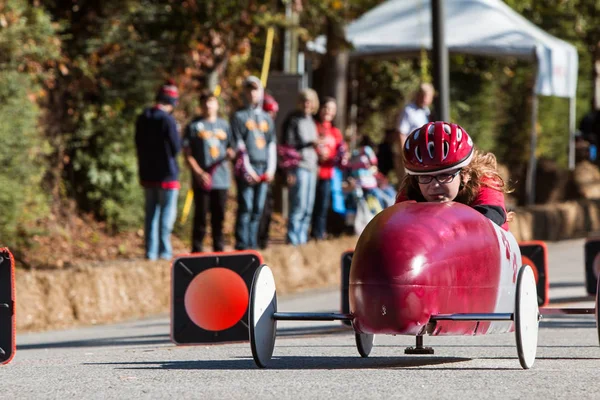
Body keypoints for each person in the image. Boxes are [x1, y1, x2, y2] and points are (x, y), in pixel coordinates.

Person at [396, 121, 509, 230]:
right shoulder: (411, 188)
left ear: (465, 174)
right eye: (425, 177)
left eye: (444, 175)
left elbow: (492, 215)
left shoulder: (484, 181)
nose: (434, 185)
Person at [134, 80, 181, 260]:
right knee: (166, 215)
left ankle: (150, 252)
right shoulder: (168, 120)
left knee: (151, 215)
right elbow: (176, 147)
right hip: (168, 175)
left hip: (147, 174)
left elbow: (137, 143)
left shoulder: (142, 117)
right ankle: (165, 252)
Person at [183, 90, 234, 253]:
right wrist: (198, 173)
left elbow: (231, 147)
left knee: (218, 218)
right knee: (200, 218)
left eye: (211, 101)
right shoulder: (193, 126)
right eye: (204, 102)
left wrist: (231, 154)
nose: (208, 105)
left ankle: (218, 251)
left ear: (217, 104)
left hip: (221, 179)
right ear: (200, 105)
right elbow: (187, 154)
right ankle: (197, 251)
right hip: (202, 180)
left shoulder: (224, 125)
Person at [231, 76, 277, 250]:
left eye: (255, 89)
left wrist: (271, 169)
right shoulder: (239, 116)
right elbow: (239, 147)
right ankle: (242, 245)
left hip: (264, 167)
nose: (252, 93)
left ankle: (253, 244)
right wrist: (248, 170)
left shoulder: (267, 118)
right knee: (246, 206)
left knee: (258, 208)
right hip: (247, 169)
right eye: (249, 89)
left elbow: (271, 144)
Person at [282, 89, 320, 245]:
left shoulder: (312, 121)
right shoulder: (293, 120)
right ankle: (293, 240)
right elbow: (287, 147)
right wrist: (289, 171)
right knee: (298, 205)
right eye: (304, 100)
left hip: (312, 167)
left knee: (308, 208)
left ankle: (302, 240)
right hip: (299, 167)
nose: (307, 104)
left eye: (310, 101)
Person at [311, 96, 344, 241]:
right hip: (313, 172)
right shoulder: (313, 126)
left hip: (328, 173)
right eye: (326, 108)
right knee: (309, 205)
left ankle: (319, 234)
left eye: (331, 109)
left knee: (323, 206)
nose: (328, 112)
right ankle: (309, 233)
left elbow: (340, 151)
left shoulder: (336, 132)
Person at [395, 83, 434, 180]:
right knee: (408, 182)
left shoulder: (427, 111)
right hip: (410, 153)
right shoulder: (408, 110)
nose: (425, 99)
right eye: (423, 95)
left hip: (424, 155)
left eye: (428, 96)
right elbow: (401, 133)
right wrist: (405, 154)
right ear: (418, 95)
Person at [258, 93, 279, 249]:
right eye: (268, 112)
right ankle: (255, 240)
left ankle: (263, 239)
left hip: (268, 175)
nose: (271, 116)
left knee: (267, 209)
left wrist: (271, 171)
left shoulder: (271, 129)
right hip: (255, 174)